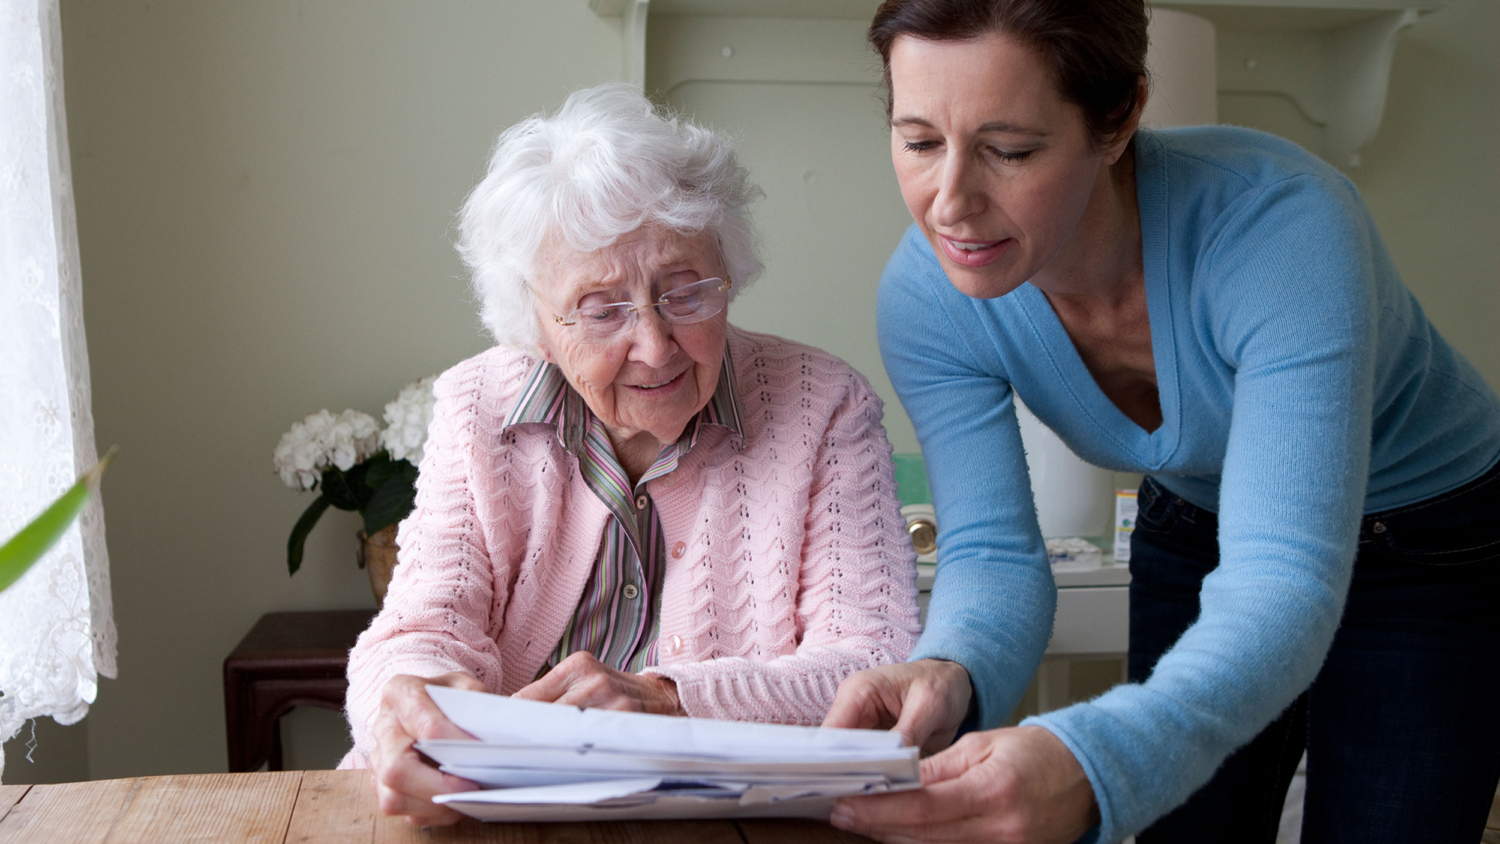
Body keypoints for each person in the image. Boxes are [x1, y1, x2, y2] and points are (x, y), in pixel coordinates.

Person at [821, 1, 1500, 843]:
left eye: (1009, 150)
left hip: (1435, 541)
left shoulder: (1283, 227)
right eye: (919, 141)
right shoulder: (928, 298)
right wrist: (948, 665)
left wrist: (1093, 758)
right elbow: (990, 551)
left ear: (1119, 120)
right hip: (1196, 517)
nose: (949, 204)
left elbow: (1281, 580)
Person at [340, 83, 921, 826]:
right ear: (537, 326)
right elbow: (420, 625)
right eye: (601, 309)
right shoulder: (477, 407)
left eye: (686, 293)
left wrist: (665, 701)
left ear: (729, 276)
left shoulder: (825, 405)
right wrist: (411, 701)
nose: (653, 346)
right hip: (486, 818)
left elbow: (871, 665)